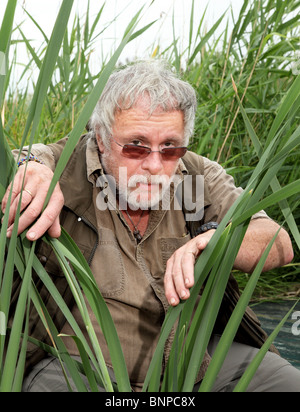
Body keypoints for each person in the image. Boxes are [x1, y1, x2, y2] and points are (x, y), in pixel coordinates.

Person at [3, 60, 300, 392]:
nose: (155, 165)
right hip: (79, 365)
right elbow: (26, 159)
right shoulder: (63, 166)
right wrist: (29, 168)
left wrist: (218, 242)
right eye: (135, 146)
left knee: (285, 381)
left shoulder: (199, 175)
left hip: (189, 359)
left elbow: (278, 242)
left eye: (170, 146)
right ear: (101, 139)